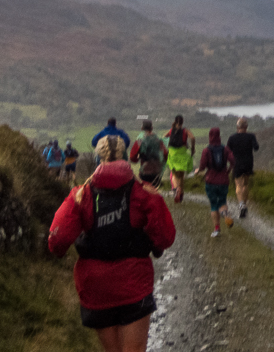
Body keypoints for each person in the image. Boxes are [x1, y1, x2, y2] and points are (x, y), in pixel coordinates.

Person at [48, 135, 176, 352]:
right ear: (125, 156)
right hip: (134, 285)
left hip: (95, 288)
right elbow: (165, 237)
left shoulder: (81, 195)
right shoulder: (143, 193)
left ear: (98, 159)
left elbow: (57, 242)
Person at [193, 127, 235, 238]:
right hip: (223, 181)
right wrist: (229, 169)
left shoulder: (206, 150)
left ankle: (216, 229)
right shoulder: (225, 149)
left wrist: (198, 170)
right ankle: (225, 214)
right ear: (219, 136)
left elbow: (202, 166)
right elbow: (233, 161)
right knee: (222, 201)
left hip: (210, 181)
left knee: (213, 206)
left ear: (210, 136)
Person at [226, 117, 260, 219]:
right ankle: (244, 205)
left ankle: (241, 205)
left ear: (237, 127)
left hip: (237, 163)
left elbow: (227, 151)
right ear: (246, 127)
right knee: (245, 184)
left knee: (238, 185)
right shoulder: (251, 136)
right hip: (248, 163)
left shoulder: (232, 138)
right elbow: (256, 148)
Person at [165, 115, 195, 204]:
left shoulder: (171, 130)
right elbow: (193, 137)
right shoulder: (185, 131)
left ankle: (177, 189)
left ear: (175, 121)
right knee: (181, 175)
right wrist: (192, 148)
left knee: (174, 174)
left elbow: (164, 137)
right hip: (182, 153)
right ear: (182, 122)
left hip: (173, 154)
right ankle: (181, 194)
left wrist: (167, 146)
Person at [129, 120, 165, 187]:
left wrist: (138, 159)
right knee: (154, 191)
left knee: (144, 191)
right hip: (157, 170)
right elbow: (165, 153)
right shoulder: (158, 140)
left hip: (145, 170)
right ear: (152, 128)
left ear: (142, 128)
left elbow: (132, 157)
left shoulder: (140, 141)